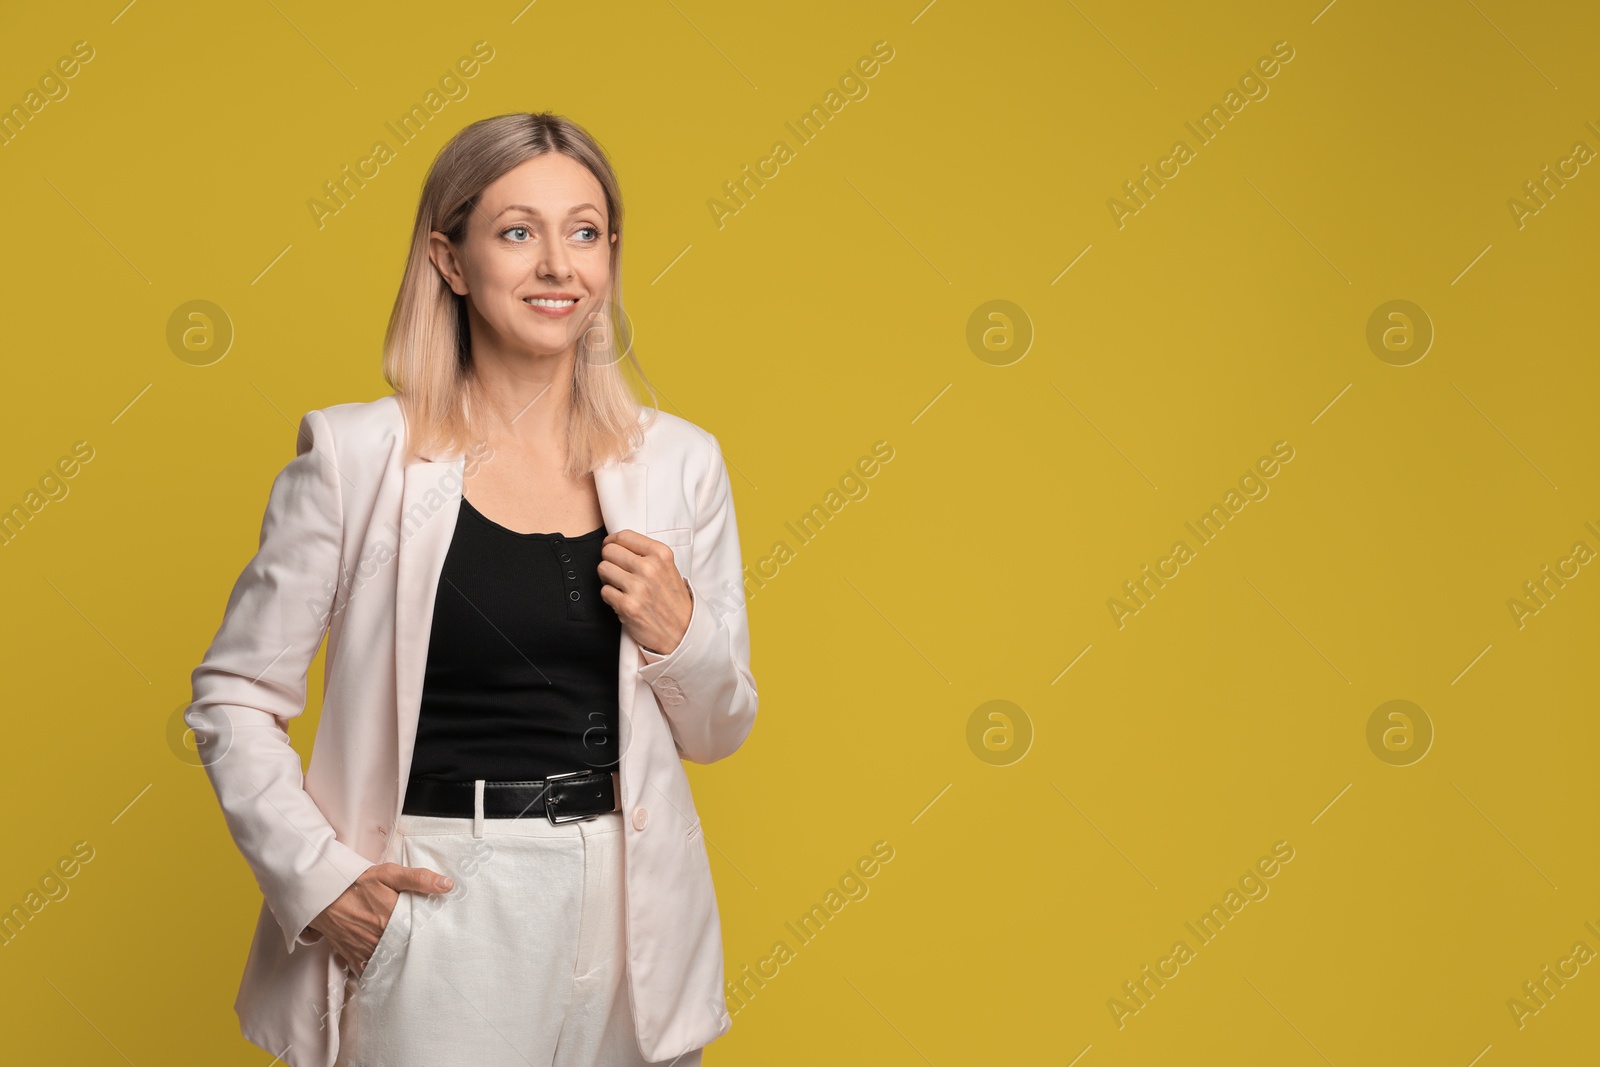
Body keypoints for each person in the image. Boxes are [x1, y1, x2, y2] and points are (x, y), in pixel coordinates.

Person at [185, 112, 758, 1067]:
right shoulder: (358, 456)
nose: (556, 266)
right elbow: (234, 696)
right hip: (440, 896)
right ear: (450, 260)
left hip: (630, 904)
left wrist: (681, 630)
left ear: (611, 256)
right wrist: (322, 881)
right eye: (516, 231)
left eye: (583, 232)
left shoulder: (679, 463)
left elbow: (719, 726)